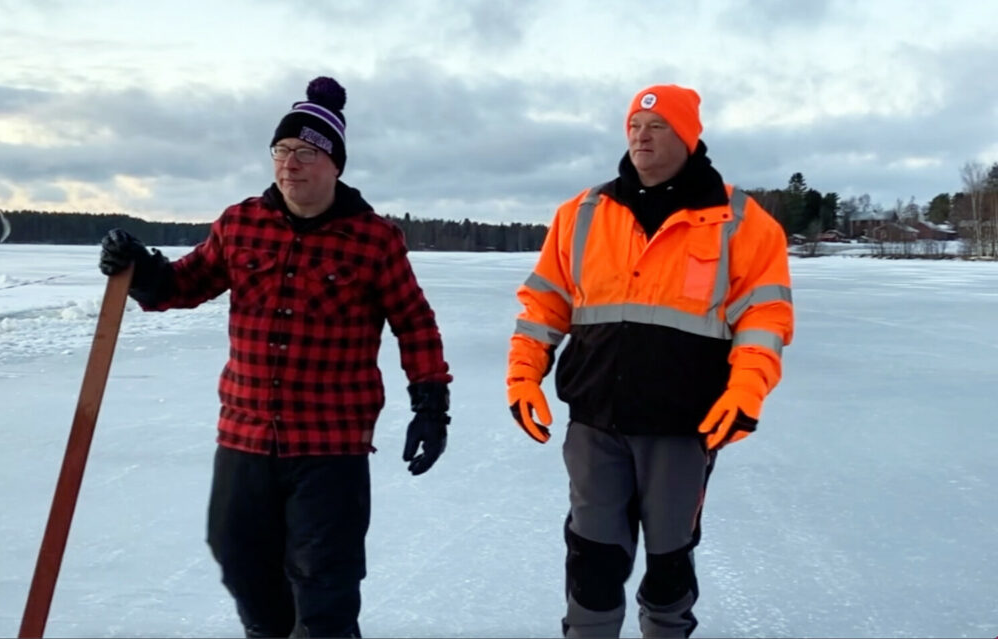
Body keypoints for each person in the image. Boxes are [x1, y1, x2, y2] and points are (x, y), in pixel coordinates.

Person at [98, 76, 452, 638]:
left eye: (307, 153)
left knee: (325, 581)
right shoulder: (241, 224)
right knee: (237, 557)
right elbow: (183, 285)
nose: (290, 164)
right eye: (282, 152)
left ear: (334, 163)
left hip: (330, 444)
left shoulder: (373, 239)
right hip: (246, 435)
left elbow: (414, 321)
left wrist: (430, 401)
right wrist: (142, 270)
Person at [506, 84, 794, 637]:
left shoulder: (741, 221)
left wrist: (746, 391)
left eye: (657, 126)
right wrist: (524, 376)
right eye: (634, 127)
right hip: (595, 424)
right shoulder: (582, 214)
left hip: (683, 428)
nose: (641, 135)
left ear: (687, 137)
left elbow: (764, 319)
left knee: (669, 568)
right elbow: (543, 303)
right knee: (592, 563)